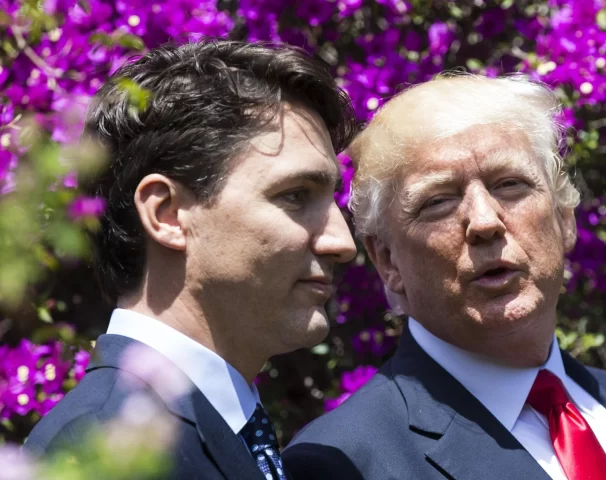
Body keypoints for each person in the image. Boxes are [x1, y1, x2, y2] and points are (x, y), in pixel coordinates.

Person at [282, 74, 606, 480]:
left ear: (564, 219)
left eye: (510, 184)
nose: (484, 221)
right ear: (387, 261)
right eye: (437, 201)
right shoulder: (344, 462)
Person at [25, 39, 358, 480]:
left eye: (332, 199)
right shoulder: (108, 451)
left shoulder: (201, 430)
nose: (343, 242)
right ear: (167, 215)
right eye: (295, 196)